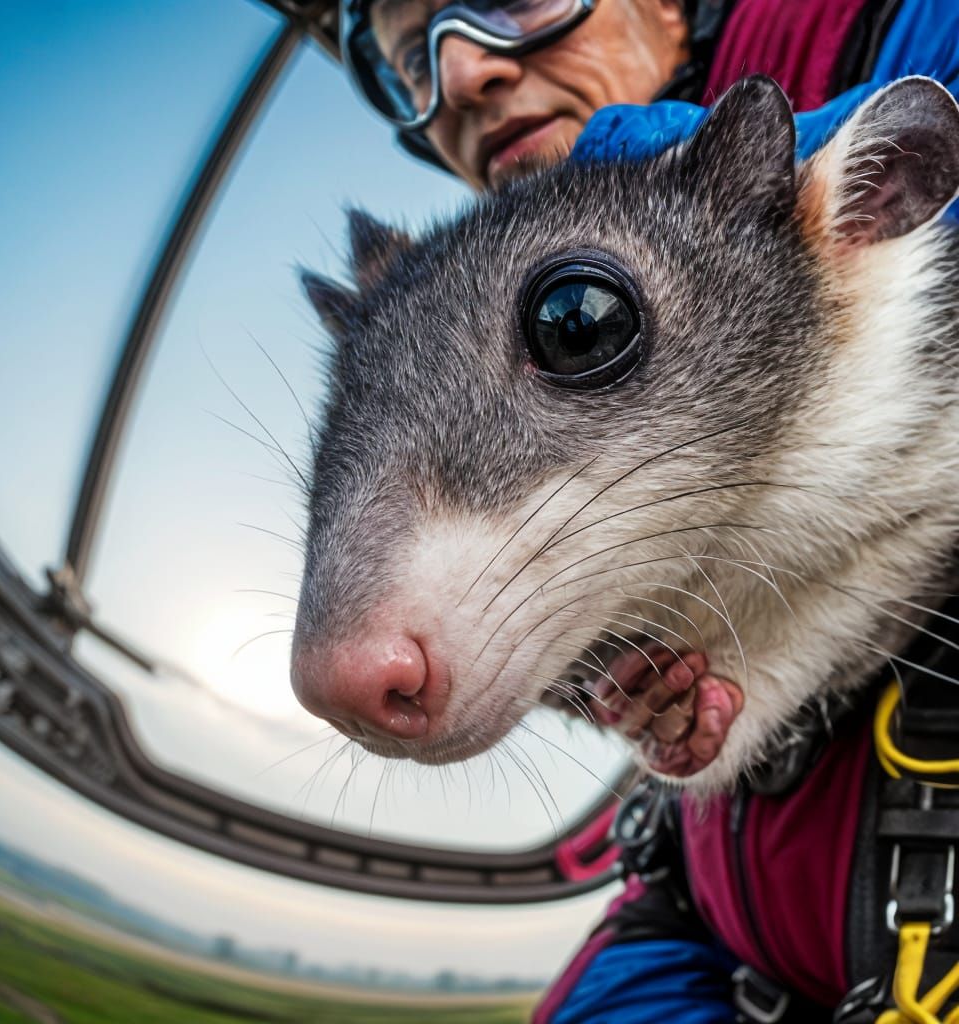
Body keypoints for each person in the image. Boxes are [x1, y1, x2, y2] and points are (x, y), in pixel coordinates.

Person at [333, 1, 959, 1020]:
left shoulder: (864, 20)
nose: (456, 75)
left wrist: (781, 195)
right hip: (698, 918)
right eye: (410, 62)